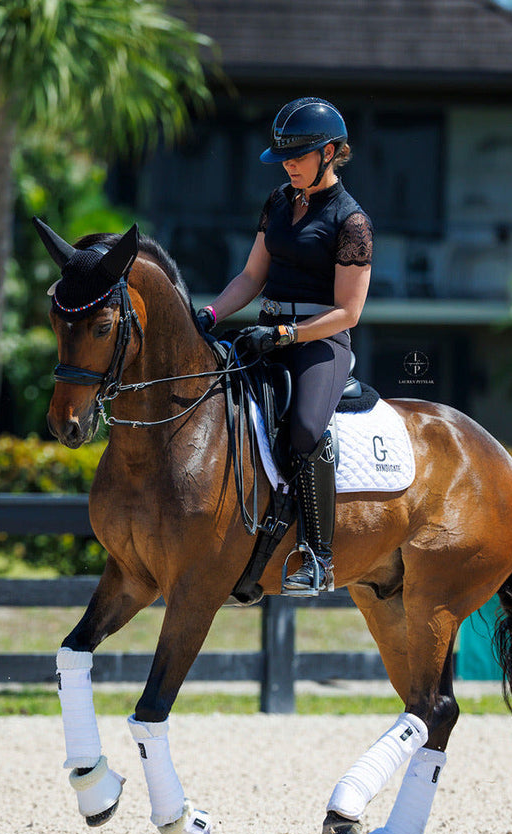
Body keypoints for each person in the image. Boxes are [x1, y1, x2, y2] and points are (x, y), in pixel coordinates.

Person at [196, 97, 374, 594]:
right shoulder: (278, 200)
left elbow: (349, 312)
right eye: (283, 159)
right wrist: (210, 314)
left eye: (297, 157)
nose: (288, 166)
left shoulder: (352, 222)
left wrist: (286, 334)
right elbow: (252, 276)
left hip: (320, 343)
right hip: (266, 334)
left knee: (305, 430)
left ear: (330, 152)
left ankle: (318, 557)